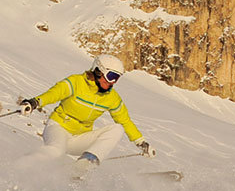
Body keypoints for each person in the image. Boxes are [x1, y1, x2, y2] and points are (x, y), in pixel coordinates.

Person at [20, 53, 152, 165]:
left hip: (79, 138)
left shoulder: (112, 97)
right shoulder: (76, 82)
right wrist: (34, 103)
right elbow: (54, 94)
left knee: (117, 129)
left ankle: (85, 164)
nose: (112, 82)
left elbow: (124, 121)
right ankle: (22, 166)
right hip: (58, 128)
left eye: (117, 78)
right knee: (56, 151)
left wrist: (141, 142)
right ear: (99, 71)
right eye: (111, 76)